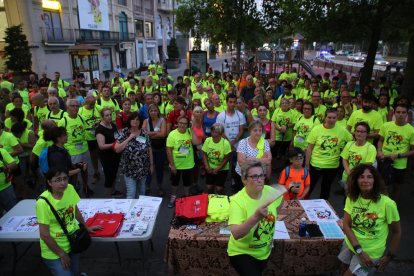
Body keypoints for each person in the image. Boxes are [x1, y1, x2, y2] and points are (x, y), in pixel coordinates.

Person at [36, 168, 102, 276]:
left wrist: (86, 227)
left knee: (74, 272)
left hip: (73, 242)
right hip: (54, 252)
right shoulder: (42, 203)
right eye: (58, 180)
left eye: (65, 178)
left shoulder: (70, 188)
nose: (63, 183)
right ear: (49, 182)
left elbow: (75, 210)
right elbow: (44, 235)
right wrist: (61, 254)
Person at [338, 164, 401, 276]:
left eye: (369, 177)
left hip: (370, 252)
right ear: (356, 181)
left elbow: (397, 232)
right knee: (342, 269)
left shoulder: (388, 204)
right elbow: (346, 225)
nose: (365, 180)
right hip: (351, 244)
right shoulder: (352, 198)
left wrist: (389, 256)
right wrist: (358, 250)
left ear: (375, 180)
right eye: (361, 177)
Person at [227, 160, 283, 276]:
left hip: (264, 251)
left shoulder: (270, 192)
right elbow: (236, 234)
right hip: (242, 252)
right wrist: (256, 217)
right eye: (254, 176)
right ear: (244, 180)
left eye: (261, 175)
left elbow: (281, 200)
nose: (260, 180)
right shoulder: (237, 201)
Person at [306, 108, 353, 199]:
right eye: (329, 117)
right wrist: (307, 165)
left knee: (326, 189)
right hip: (316, 164)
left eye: (334, 118)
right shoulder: (317, 129)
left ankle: (322, 210)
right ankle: (302, 205)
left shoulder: (342, 131)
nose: (331, 120)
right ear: (325, 117)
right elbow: (309, 148)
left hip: (332, 166)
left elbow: (351, 142)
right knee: (309, 187)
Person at [377, 103, 414, 203]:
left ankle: (393, 207)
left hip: (400, 164)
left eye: (403, 112)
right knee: (382, 184)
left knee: (397, 186)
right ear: (394, 113)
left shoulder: (411, 130)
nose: (400, 114)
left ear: (407, 114)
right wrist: (379, 151)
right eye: (398, 112)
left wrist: (398, 155)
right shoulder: (386, 125)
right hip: (384, 160)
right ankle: (382, 204)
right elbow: (380, 140)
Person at [114, 113, 153, 199]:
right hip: (129, 169)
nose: (135, 121)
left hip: (143, 167)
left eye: (138, 119)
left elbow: (149, 148)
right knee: (131, 193)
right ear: (129, 120)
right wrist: (129, 138)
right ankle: (129, 211)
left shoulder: (144, 132)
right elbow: (117, 149)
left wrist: (151, 164)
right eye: (133, 119)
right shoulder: (124, 132)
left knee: (142, 192)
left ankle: (140, 210)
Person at [166, 115, 196, 208]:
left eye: (185, 124)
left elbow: (195, 142)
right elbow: (168, 150)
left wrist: (192, 129)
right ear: (177, 123)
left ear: (187, 125)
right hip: (176, 164)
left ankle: (187, 198)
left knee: (187, 183)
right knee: (175, 183)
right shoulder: (172, 134)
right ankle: (173, 197)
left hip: (188, 163)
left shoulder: (190, 132)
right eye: (180, 123)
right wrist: (172, 165)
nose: (182, 125)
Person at [235, 121, 272, 192]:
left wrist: (250, 159)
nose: (258, 132)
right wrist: (261, 160)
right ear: (250, 131)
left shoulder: (265, 142)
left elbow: (268, 161)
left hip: (258, 175)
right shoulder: (243, 142)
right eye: (255, 130)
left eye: (260, 130)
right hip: (244, 175)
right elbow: (241, 163)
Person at [95, 107, 122, 197]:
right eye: (107, 115)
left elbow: (116, 136)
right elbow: (101, 146)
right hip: (106, 156)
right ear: (102, 117)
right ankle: (108, 198)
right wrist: (114, 144)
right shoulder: (100, 129)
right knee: (109, 176)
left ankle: (113, 191)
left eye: (110, 115)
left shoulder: (112, 125)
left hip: (115, 154)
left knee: (114, 174)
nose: (109, 117)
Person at [142, 104, 167, 196]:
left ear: (158, 111)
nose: (153, 112)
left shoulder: (162, 120)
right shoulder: (145, 121)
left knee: (160, 168)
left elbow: (163, 134)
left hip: (160, 149)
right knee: (148, 168)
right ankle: (147, 185)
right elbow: (144, 134)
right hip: (149, 149)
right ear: (148, 112)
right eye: (151, 111)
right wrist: (157, 133)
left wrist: (150, 133)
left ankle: (159, 186)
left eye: (155, 110)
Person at [202, 123, 232, 194]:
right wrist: (206, 166)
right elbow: (204, 154)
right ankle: (211, 199)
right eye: (213, 131)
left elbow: (227, 158)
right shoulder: (208, 140)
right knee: (209, 187)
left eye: (217, 132)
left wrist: (218, 169)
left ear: (221, 134)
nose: (214, 134)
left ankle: (222, 198)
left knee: (219, 189)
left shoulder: (225, 143)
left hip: (222, 169)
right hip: (210, 168)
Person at [0, 147, 18, 211]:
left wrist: (4, 167)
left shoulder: (1, 151)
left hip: (5, 187)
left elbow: (14, 164)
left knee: (12, 210)